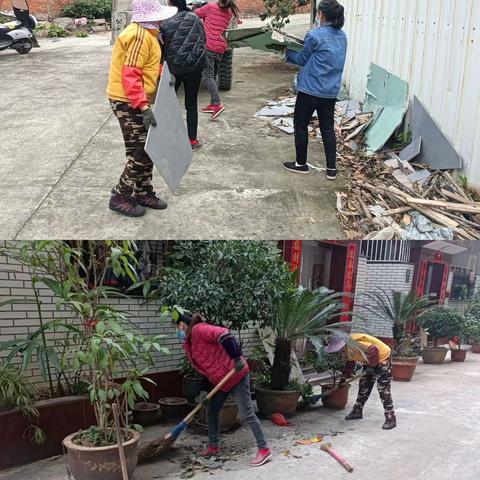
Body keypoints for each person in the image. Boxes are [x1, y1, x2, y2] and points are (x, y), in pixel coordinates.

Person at [106, 0, 177, 217]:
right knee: (141, 151)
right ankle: (120, 195)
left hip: (133, 99)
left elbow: (146, 64)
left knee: (146, 148)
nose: (163, 19)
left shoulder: (149, 35)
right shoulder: (139, 35)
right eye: (159, 15)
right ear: (151, 17)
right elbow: (131, 74)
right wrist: (144, 107)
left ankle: (142, 192)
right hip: (127, 101)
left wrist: (162, 74)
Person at [175, 312, 273, 467]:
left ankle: (264, 449)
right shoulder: (190, 343)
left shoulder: (199, 329)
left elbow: (224, 334)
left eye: (176, 329)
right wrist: (205, 392)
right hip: (223, 380)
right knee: (212, 410)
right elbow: (206, 368)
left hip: (237, 373)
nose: (177, 333)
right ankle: (213, 447)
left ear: (181, 325)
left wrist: (236, 358)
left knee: (246, 412)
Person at [284, 0, 347, 180]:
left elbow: (302, 59)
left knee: (300, 125)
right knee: (327, 128)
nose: (317, 16)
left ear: (323, 15)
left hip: (310, 90)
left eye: (318, 13)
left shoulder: (314, 35)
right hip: (330, 91)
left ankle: (301, 163)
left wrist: (287, 51)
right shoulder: (342, 36)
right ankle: (331, 169)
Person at [324, 332, 397, 430]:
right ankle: (357, 411)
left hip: (383, 357)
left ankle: (390, 417)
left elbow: (373, 350)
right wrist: (343, 379)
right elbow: (350, 363)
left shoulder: (354, 343)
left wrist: (371, 366)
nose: (338, 350)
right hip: (370, 360)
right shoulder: (346, 348)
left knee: (383, 389)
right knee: (364, 386)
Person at [161, 0, 206, 151]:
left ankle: (168, 137)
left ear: (170, 3)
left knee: (168, 104)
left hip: (175, 69)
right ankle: (192, 140)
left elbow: (162, 47)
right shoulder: (195, 18)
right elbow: (202, 40)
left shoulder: (166, 23)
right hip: (195, 68)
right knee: (191, 104)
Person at [194, 0, 239, 120]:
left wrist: (197, 6)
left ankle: (217, 103)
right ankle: (213, 104)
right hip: (220, 47)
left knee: (207, 76)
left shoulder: (209, 7)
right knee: (213, 74)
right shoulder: (229, 12)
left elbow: (196, 13)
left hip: (209, 46)